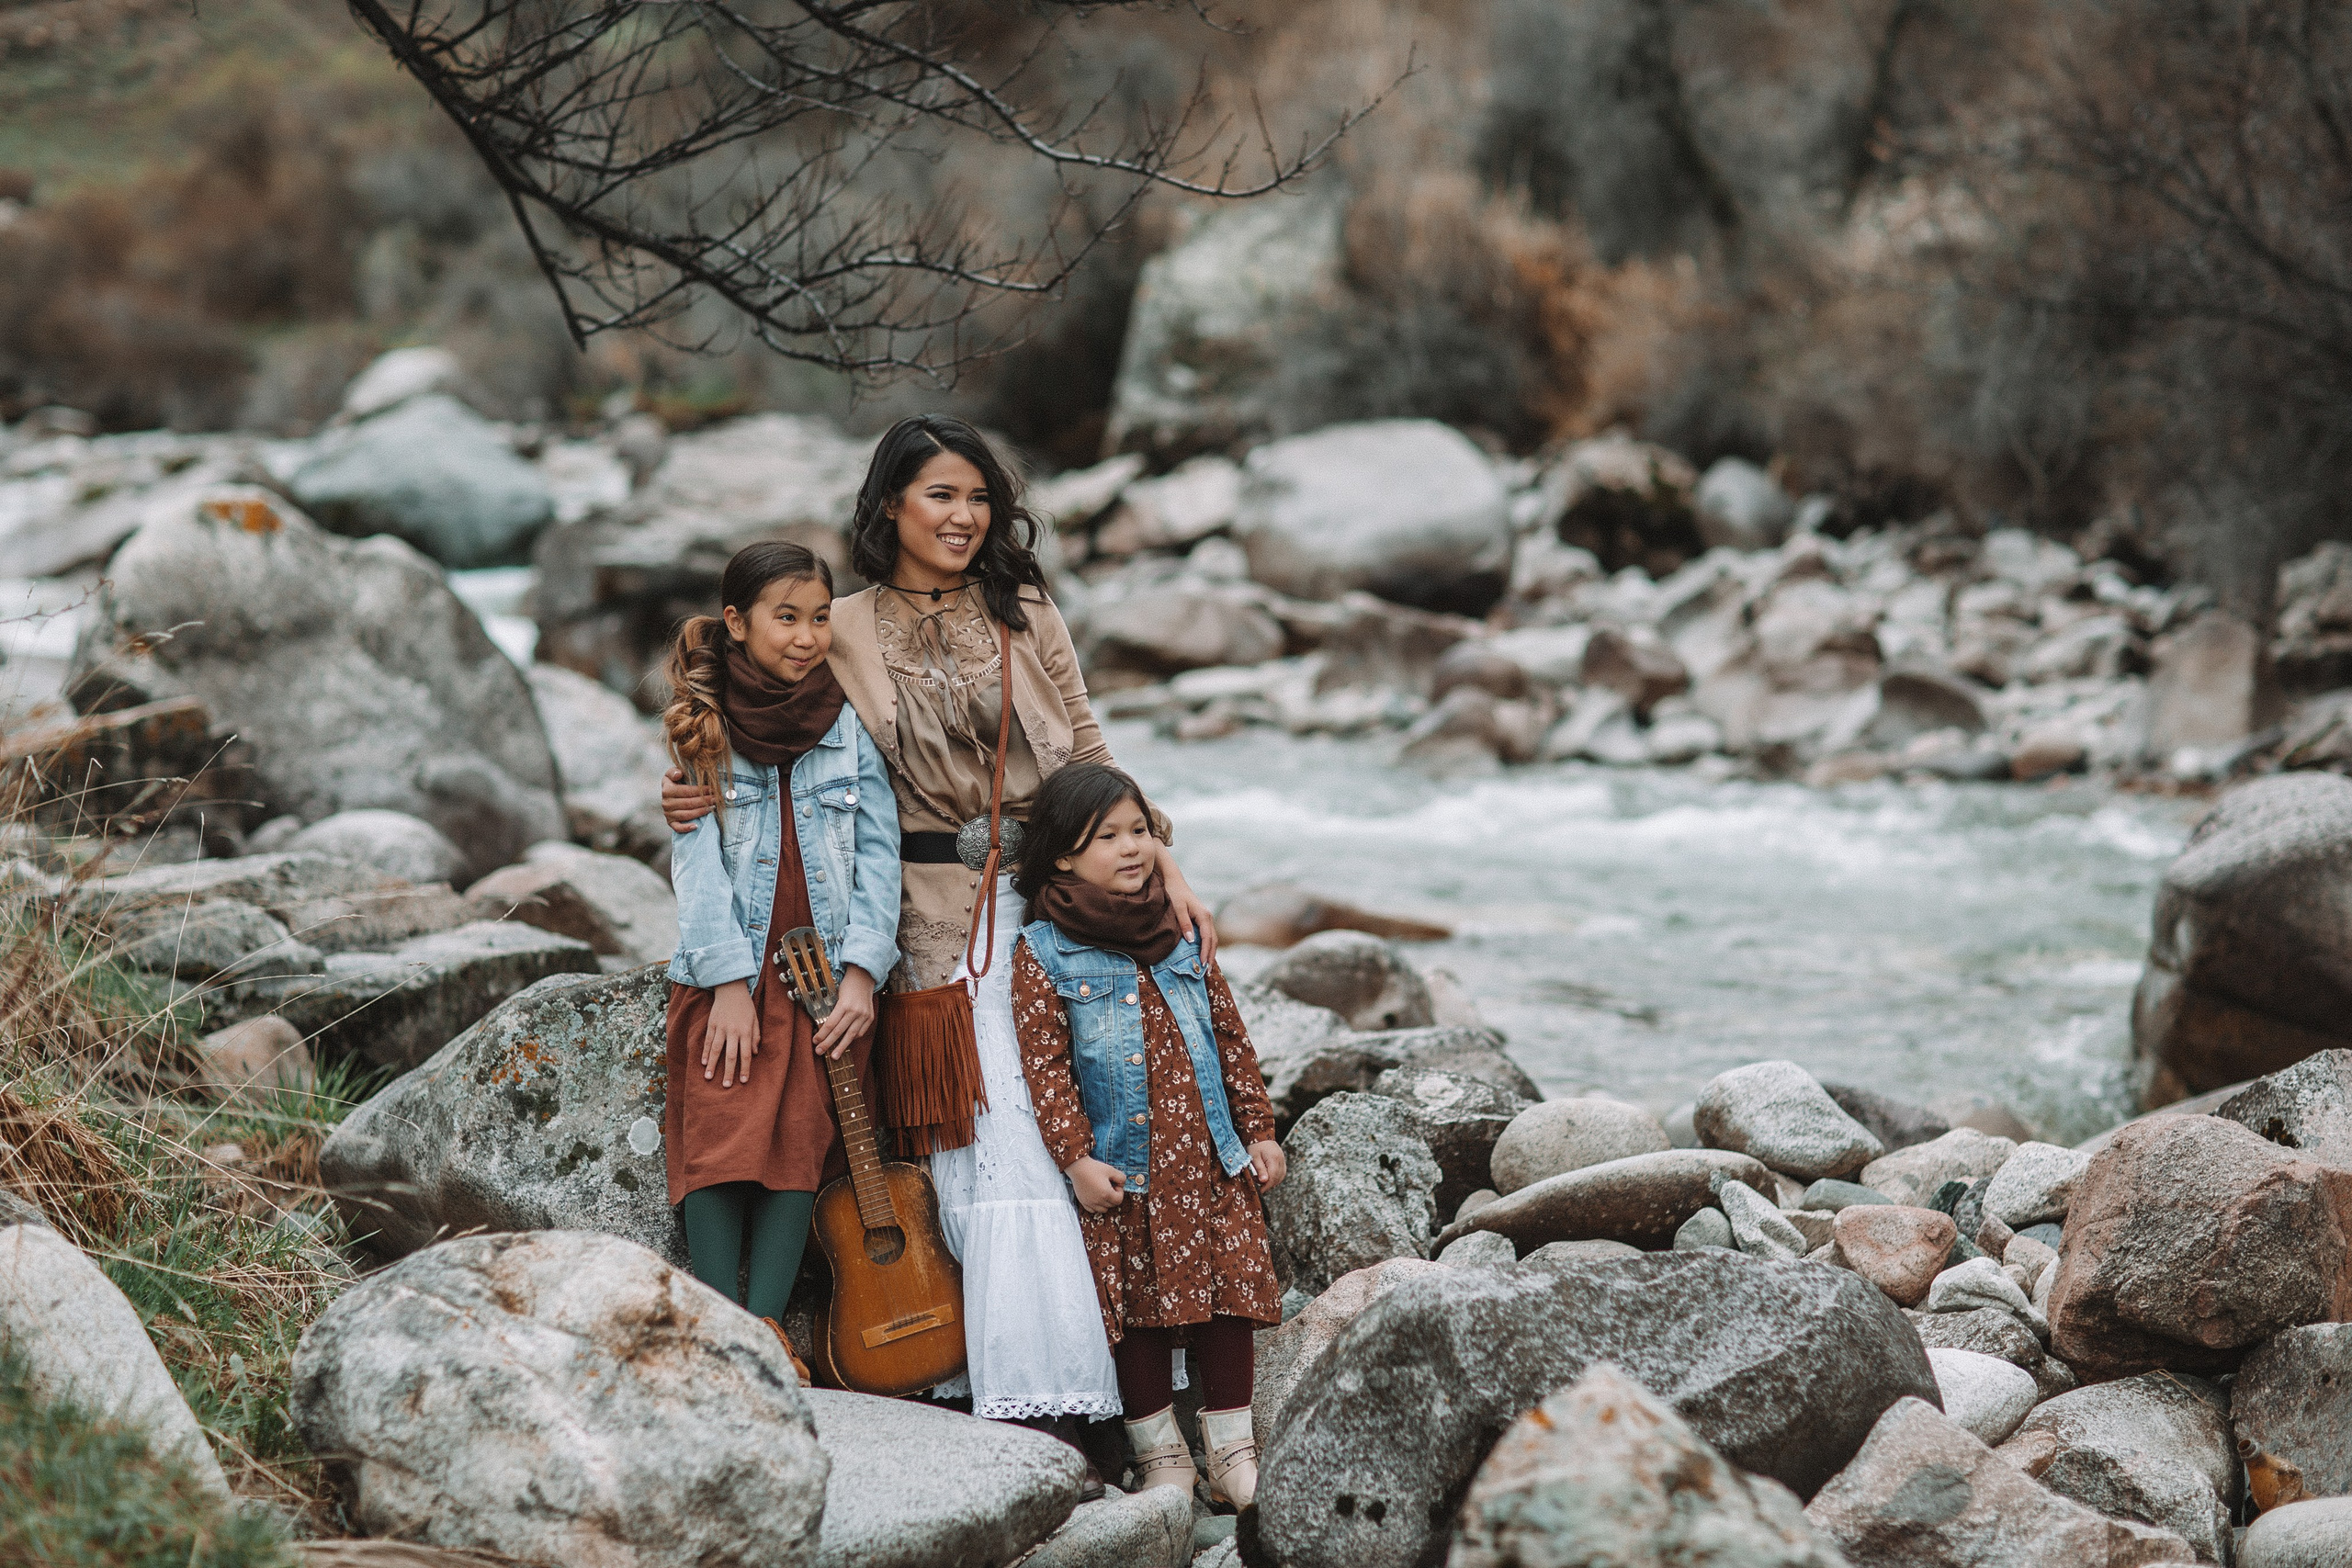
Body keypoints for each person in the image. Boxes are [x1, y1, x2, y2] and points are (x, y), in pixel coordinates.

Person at [662, 414, 1220, 1462]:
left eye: (978, 498)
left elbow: (1088, 742)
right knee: (993, 1131)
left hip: (1059, 894)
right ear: (889, 508)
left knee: (1094, 1122)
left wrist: (1164, 859)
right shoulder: (848, 625)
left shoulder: (1026, 606)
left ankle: (1137, 1389)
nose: (964, 517)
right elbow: (769, 719)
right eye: (940, 497)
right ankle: (1033, 1397)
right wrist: (690, 784)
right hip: (926, 915)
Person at [1008, 761, 1283, 1508]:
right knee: (1137, 1312)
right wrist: (1074, 1158)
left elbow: (1230, 1037)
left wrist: (1258, 1129)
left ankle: (1232, 1452)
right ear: (1063, 854)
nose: (1132, 848)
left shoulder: (1182, 928)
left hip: (1212, 1156)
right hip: (1127, 1171)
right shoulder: (1044, 951)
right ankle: (1161, 1455)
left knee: (1231, 1296)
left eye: (1140, 831)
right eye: (1109, 837)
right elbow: (1046, 1066)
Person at [661, 541, 900, 1372]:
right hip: (737, 976)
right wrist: (727, 983)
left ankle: (762, 1332)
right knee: (720, 1136)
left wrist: (864, 973)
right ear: (737, 622)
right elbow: (692, 868)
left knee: (803, 1140)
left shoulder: (847, 720)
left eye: (820, 617)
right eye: (786, 618)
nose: (806, 636)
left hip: (824, 978)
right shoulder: (705, 725)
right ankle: (720, 1321)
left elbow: (879, 851)